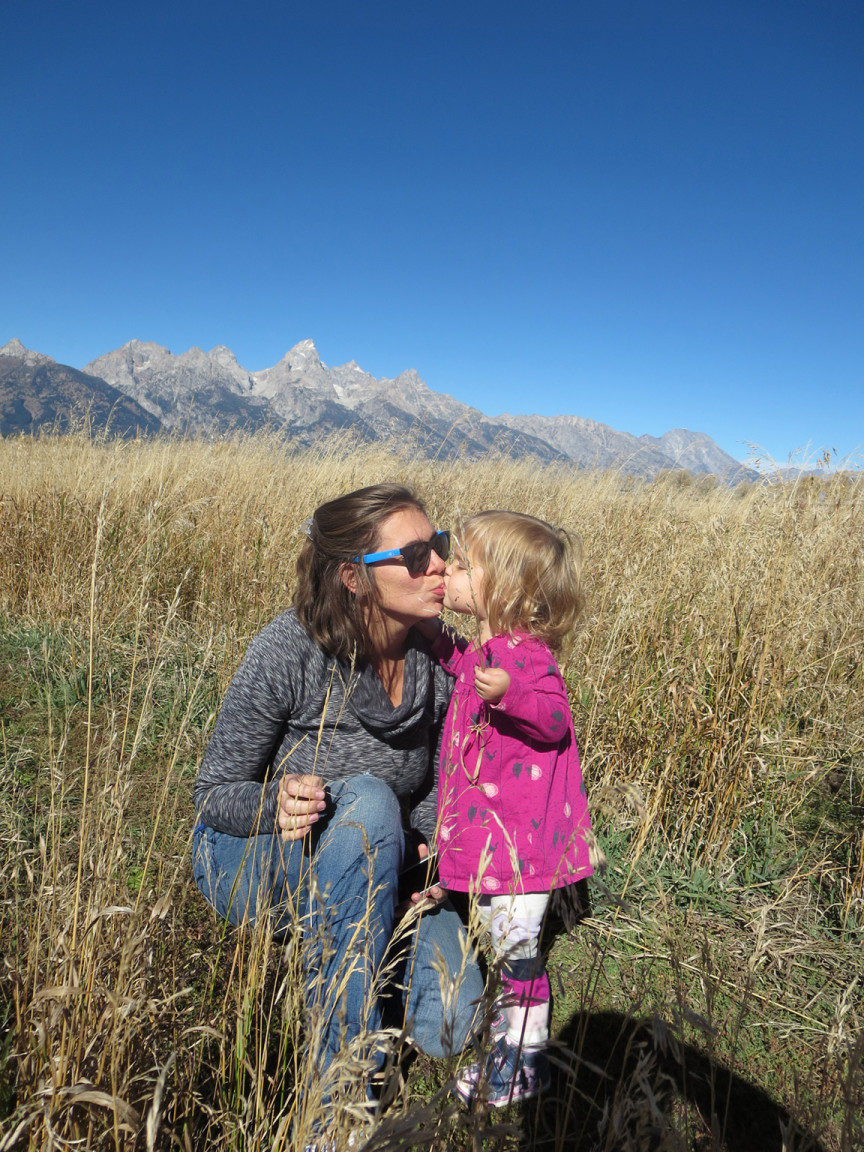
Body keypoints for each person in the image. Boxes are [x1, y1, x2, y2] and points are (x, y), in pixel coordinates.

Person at [191, 483, 484, 1115]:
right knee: (372, 802)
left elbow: (439, 783)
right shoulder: (290, 649)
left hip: (385, 865)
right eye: (413, 556)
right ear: (354, 577)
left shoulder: (440, 659)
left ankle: (353, 934)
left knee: (452, 1020)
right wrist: (274, 802)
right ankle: (341, 1094)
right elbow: (212, 795)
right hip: (254, 857)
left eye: (438, 545)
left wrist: (421, 857)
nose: (438, 565)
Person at [426, 510, 593, 1107]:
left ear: (505, 589)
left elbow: (554, 719)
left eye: (464, 567)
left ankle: (523, 1069)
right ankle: (510, 1054)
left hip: (525, 847)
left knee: (519, 958)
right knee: (508, 950)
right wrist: (427, 635)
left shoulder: (527, 655)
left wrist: (512, 694)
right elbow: (457, 661)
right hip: (504, 843)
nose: (448, 571)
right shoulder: (488, 648)